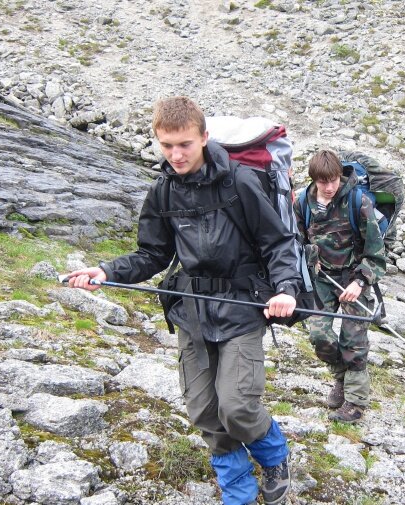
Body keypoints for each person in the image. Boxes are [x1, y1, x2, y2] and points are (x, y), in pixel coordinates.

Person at [64, 97, 297, 505]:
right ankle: (238, 491)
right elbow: (151, 254)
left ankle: (275, 457)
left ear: (204, 138)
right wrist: (106, 271)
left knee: (237, 408)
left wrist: (285, 290)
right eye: (167, 145)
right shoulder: (163, 191)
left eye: (185, 144)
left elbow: (277, 243)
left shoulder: (240, 183)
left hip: (242, 308)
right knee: (204, 411)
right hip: (191, 311)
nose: (176, 154)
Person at [294, 149, 387, 423]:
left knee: (353, 340)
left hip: (353, 278)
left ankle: (356, 403)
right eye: (324, 182)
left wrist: (360, 281)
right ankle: (342, 378)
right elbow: (295, 243)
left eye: (334, 180)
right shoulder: (303, 202)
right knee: (319, 335)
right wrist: (309, 258)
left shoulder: (358, 202)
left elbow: (377, 255)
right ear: (314, 180)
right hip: (321, 278)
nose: (330, 187)